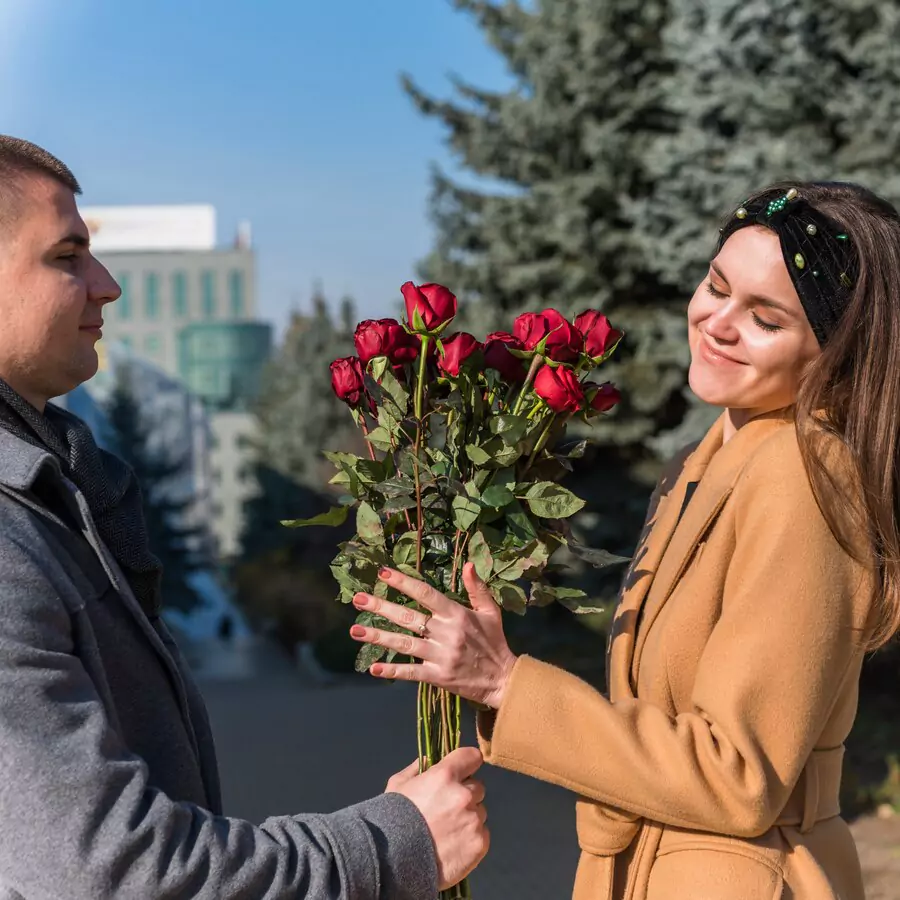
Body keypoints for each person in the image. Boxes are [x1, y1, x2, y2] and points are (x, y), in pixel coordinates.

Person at [352, 181, 900, 899]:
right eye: (716, 286)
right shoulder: (708, 462)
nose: (717, 322)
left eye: (766, 318)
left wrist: (507, 683)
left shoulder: (801, 475)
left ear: (833, 350)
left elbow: (736, 775)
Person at [0, 134, 489, 899]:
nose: (106, 285)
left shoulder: (51, 488)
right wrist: (395, 843)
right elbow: (115, 870)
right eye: (66, 257)